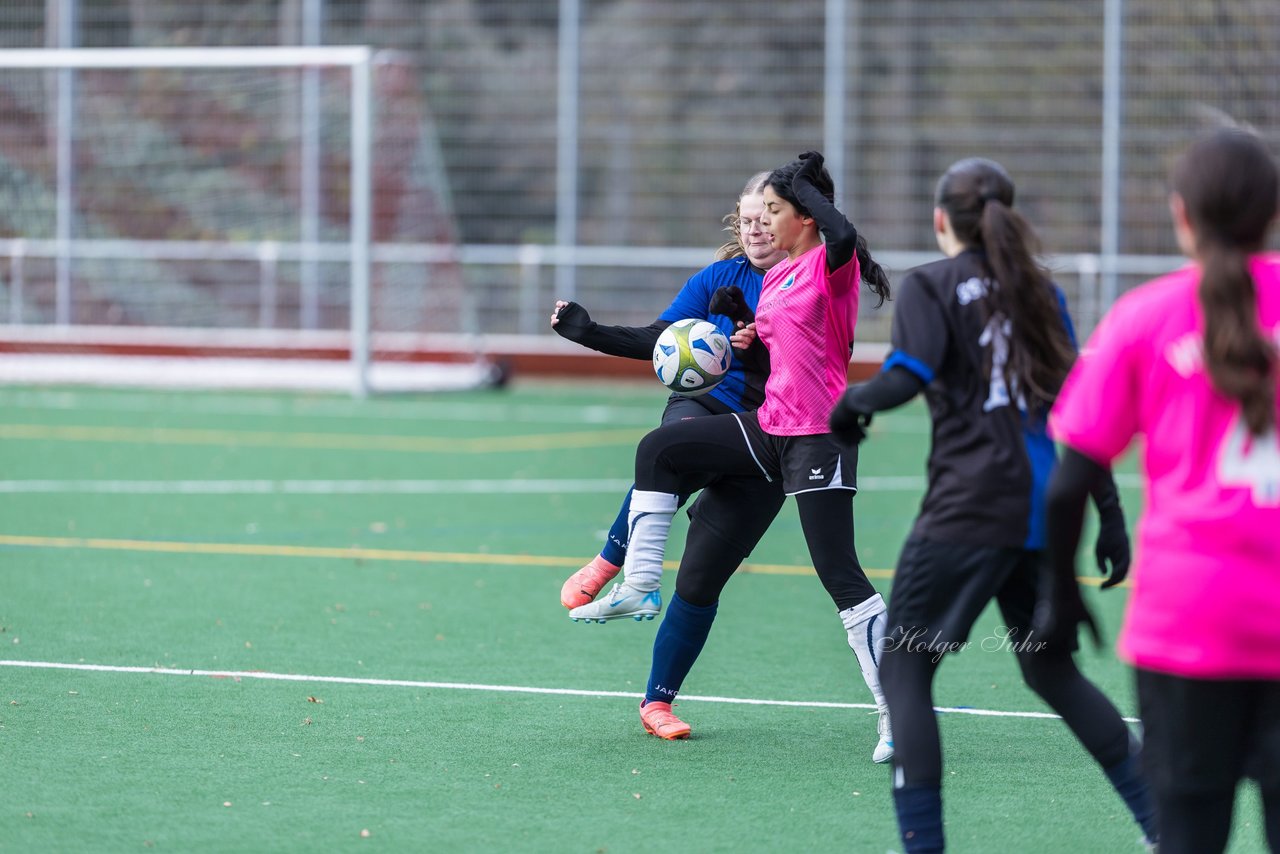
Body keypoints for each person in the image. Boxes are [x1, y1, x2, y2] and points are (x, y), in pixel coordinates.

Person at [828, 157, 1157, 852]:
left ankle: (924, 845)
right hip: (1043, 514)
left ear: (941, 219)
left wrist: (852, 404)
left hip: (967, 511)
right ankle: (1165, 830)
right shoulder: (1040, 290)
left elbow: (904, 378)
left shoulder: (931, 285)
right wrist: (1111, 512)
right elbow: (1081, 410)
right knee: (1050, 668)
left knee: (906, 666)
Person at [569, 151, 896, 763]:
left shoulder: (831, 264)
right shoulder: (773, 278)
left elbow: (843, 235)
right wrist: (743, 326)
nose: (759, 223)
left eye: (773, 211)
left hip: (820, 437)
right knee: (660, 448)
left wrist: (801, 187)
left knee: (841, 577)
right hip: (771, 429)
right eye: (755, 212)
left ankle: (896, 714)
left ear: (803, 217)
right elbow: (784, 351)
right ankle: (639, 583)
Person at [1042, 128, 1280, 854]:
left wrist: (1060, 591)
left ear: (1182, 215)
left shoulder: (1143, 318)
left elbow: (1069, 482)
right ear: (1271, 216)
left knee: (1187, 835)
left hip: (1187, 622)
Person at [550, 171, 786, 612]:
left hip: (772, 422)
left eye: (765, 220)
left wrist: (754, 337)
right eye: (746, 220)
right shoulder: (716, 276)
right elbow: (660, 337)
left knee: (699, 586)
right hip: (702, 399)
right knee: (668, 450)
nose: (754, 230)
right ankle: (611, 566)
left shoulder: (805, 283)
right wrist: (591, 333)